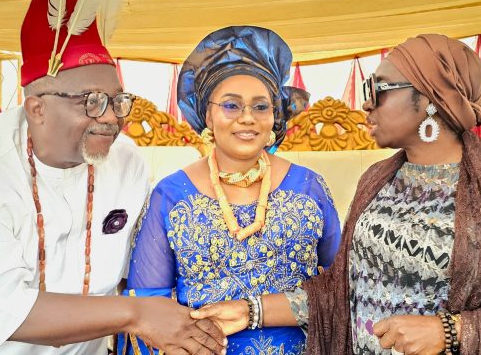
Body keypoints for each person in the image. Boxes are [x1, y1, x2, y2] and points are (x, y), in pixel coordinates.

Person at [190, 34, 481, 355]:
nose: (366, 104)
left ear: (429, 97)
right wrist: (251, 310)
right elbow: (339, 293)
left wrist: (450, 331)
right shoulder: (378, 179)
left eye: (377, 89)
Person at [0, 0, 225, 355]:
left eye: (118, 101)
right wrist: (137, 314)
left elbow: (146, 264)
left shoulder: (126, 161)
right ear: (37, 109)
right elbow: (3, 311)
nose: (111, 117)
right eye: (92, 102)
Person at [119, 26, 341, 355]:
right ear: (207, 115)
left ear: (274, 116)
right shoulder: (171, 194)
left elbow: (341, 288)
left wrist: (259, 311)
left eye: (261, 107)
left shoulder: (310, 188)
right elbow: (148, 304)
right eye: (231, 106)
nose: (247, 118)